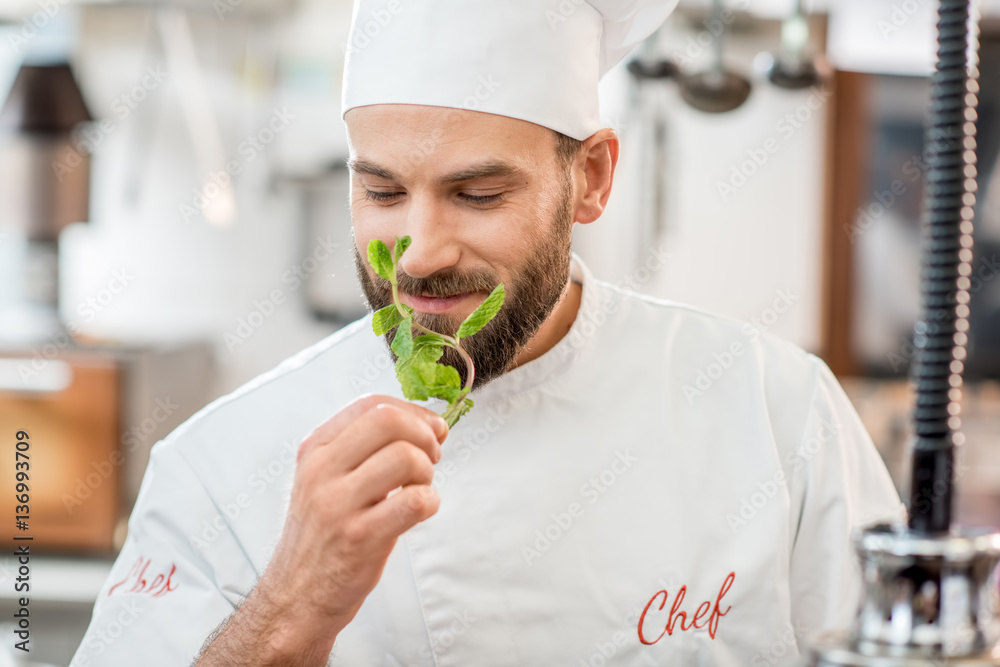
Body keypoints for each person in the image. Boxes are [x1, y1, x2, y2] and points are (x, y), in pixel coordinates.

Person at [71, 0, 904, 664]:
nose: (422, 254)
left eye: (478, 194)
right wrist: (291, 609)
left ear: (592, 177)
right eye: (385, 194)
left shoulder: (777, 415)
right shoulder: (216, 467)